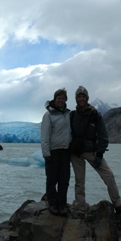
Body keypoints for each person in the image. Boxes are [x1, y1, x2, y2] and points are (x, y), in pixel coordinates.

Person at [69, 85, 121, 216]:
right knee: (79, 181)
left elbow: (103, 135)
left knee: (109, 176)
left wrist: (100, 153)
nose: (81, 99)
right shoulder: (72, 115)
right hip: (76, 153)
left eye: (83, 96)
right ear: (76, 99)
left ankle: (117, 203)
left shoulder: (95, 115)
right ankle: (80, 207)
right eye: (79, 96)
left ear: (87, 98)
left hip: (93, 151)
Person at [40, 88, 72, 216]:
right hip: (53, 151)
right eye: (59, 98)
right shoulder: (48, 115)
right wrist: (46, 152)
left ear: (65, 100)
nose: (61, 100)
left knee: (64, 180)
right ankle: (52, 204)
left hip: (65, 151)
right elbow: (45, 135)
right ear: (55, 99)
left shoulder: (68, 114)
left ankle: (62, 204)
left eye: (63, 98)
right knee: (52, 179)